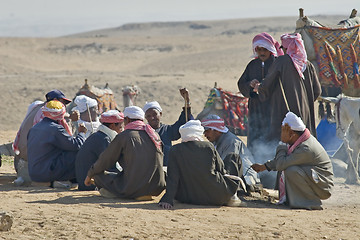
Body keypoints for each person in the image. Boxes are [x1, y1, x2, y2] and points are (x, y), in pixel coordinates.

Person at [251, 112, 334, 210]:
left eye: (283, 131)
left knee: (291, 170)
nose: (281, 133)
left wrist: (282, 143)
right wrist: (264, 167)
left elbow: (282, 164)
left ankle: (310, 203)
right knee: (290, 167)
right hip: (316, 179)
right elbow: (284, 161)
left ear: (292, 134)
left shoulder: (305, 148)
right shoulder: (300, 140)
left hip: (323, 186)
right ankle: (294, 200)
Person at [84, 106, 166, 200]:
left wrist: (90, 174)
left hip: (133, 187)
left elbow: (105, 160)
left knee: (98, 176)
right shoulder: (154, 135)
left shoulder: (125, 136)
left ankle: (122, 193)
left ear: (127, 119)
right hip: (156, 187)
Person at [159, 120, 244, 209]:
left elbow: (173, 177)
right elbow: (222, 170)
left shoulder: (175, 150)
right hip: (216, 197)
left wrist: (167, 199)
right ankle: (234, 195)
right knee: (234, 157)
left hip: (186, 197)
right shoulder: (208, 147)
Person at [253, 33, 321, 143]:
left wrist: (259, 88)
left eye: (284, 48)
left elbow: (268, 84)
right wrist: (304, 103)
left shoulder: (282, 61)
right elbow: (317, 91)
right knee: (304, 143)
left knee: (286, 144)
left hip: (285, 112)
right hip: (306, 112)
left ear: (287, 48)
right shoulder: (308, 65)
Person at [12, 89, 79, 185]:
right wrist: (81, 133)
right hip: (40, 164)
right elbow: (71, 144)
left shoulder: (40, 111)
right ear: (55, 100)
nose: (64, 106)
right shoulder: (49, 122)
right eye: (62, 102)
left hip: (30, 162)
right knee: (74, 152)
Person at [238, 32, 284, 152]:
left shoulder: (277, 64)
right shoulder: (252, 65)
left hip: (273, 107)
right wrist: (250, 85)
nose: (262, 52)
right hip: (256, 108)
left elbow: (283, 84)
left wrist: (263, 87)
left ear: (270, 49)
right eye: (259, 49)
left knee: (273, 136)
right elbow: (241, 84)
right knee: (256, 136)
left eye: (265, 49)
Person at [27, 100, 87, 182]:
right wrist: (81, 133)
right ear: (61, 113)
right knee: (79, 152)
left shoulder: (35, 128)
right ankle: (80, 179)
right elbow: (76, 145)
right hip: (47, 173)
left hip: (34, 174)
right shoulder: (55, 129)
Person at [201, 115, 260, 189]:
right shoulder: (217, 141)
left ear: (217, 130)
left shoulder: (231, 142)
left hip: (246, 179)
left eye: (207, 131)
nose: (205, 135)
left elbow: (229, 168)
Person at [75, 110, 124, 191]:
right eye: (120, 127)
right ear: (112, 126)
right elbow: (110, 165)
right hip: (89, 184)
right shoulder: (103, 139)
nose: (122, 130)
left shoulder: (100, 136)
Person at [143, 88, 193, 166]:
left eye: (154, 114)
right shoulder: (143, 132)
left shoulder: (167, 130)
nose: (152, 118)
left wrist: (187, 101)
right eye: (149, 116)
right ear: (145, 118)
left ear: (161, 114)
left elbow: (183, 122)